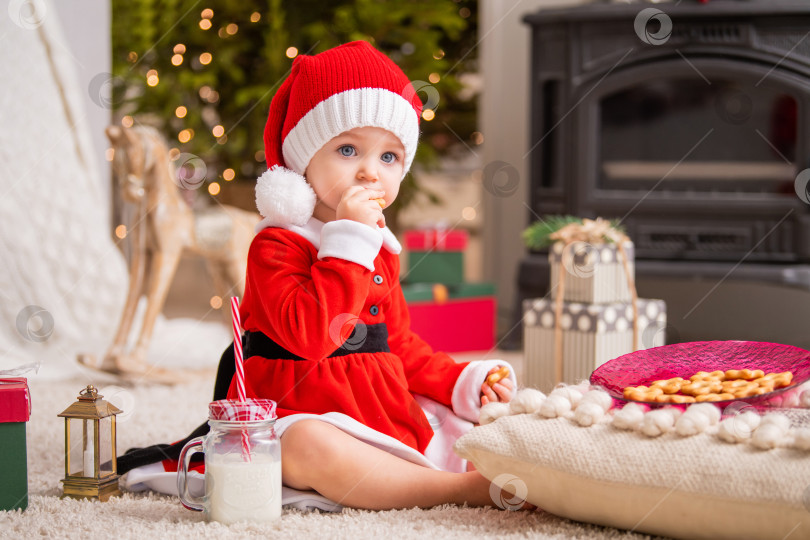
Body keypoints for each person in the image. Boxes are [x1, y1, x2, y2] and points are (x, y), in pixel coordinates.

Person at [119, 40, 521, 513]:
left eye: (389, 157)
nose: (371, 173)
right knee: (303, 445)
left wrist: (461, 380)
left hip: (374, 404)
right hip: (296, 405)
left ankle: (423, 466)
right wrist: (348, 243)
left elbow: (399, 345)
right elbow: (310, 335)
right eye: (348, 150)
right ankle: (452, 492)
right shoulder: (277, 244)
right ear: (301, 161)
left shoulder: (378, 249)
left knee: (464, 422)